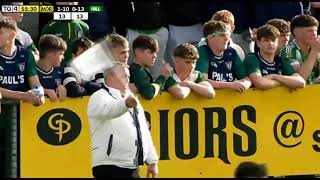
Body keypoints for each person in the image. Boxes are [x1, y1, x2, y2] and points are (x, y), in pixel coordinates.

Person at [87, 65, 158, 178]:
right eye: (124, 76)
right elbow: (108, 111)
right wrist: (125, 104)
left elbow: (143, 130)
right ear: (110, 78)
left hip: (132, 167)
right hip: (109, 165)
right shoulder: (99, 96)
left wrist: (152, 160)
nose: (128, 79)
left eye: (128, 76)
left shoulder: (131, 98)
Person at [195, 20, 252, 93]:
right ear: (209, 37)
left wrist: (245, 85)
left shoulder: (231, 52)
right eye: (222, 35)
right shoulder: (202, 52)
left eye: (227, 35)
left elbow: (246, 78)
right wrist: (230, 85)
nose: (226, 38)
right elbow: (203, 81)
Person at [244, 24, 306, 90]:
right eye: (266, 40)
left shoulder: (281, 60)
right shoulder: (252, 58)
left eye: (273, 40)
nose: (270, 43)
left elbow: (301, 82)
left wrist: (274, 76)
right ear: (258, 43)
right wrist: (286, 82)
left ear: (277, 43)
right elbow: (260, 83)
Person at [0, 16, 43, 106]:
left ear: (12, 35)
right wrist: (23, 95)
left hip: (23, 111)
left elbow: (36, 84)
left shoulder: (26, 55)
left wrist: (39, 94)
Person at [41, 2, 89, 67]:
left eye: (72, 2)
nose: (69, 5)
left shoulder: (84, 27)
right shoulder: (49, 28)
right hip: (57, 70)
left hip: (78, 69)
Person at [280, 14, 320, 84]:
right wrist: (314, 51)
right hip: (300, 93)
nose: (314, 34)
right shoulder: (288, 52)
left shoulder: (317, 46)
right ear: (296, 32)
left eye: (315, 30)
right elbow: (300, 79)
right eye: (310, 31)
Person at [129, 35, 172, 100]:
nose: (155, 56)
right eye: (151, 52)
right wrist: (163, 76)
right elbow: (149, 93)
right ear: (138, 53)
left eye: (155, 52)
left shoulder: (140, 69)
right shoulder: (137, 70)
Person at [36, 34, 67, 102]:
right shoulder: (31, 70)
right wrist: (43, 91)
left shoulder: (61, 71)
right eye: (61, 54)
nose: (63, 57)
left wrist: (62, 86)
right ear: (51, 55)